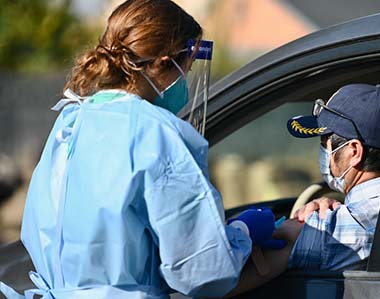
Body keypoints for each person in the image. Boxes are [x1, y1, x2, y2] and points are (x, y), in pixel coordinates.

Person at [0, 1, 287, 299]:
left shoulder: (71, 121)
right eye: (185, 69)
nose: (185, 81)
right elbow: (203, 272)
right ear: (164, 61)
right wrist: (242, 234)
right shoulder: (158, 133)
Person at [285, 83, 380, 270]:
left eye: (325, 142)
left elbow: (230, 260)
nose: (323, 151)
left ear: (354, 151)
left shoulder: (336, 229)